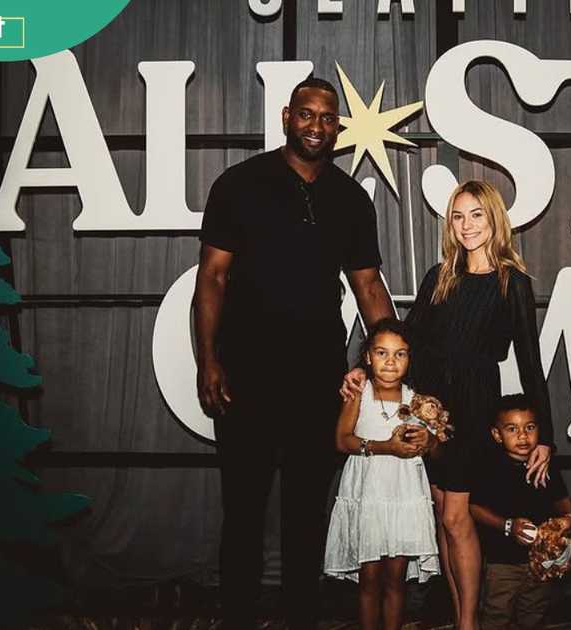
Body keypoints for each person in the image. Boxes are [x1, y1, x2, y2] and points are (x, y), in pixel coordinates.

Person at [194, 77, 394, 629]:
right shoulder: (239, 185)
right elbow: (211, 278)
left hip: (318, 382)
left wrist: (395, 358)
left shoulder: (350, 199)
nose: (316, 126)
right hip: (246, 377)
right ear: (287, 116)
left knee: (306, 516)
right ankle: (237, 617)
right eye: (306, 115)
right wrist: (207, 359)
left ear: (338, 126)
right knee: (243, 512)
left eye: (327, 118)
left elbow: (369, 288)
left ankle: (300, 618)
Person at [343, 180, 555, 630]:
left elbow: (532, 363)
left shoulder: (512, 283)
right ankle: (463, 616)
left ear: (494, 219)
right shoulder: (439, 277)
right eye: (458, 216)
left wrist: (546, 438)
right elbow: (408, 338)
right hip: (430, 406)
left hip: (475, 406)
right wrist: (366, 362)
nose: (466, 225)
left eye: (476, 214)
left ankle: (467, 624)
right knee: (442, 511)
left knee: (458, 516)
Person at [324, 318, 440, 630]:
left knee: (395, 582)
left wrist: (427, 441)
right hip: (369, 495)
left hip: (403, 496)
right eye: (382, 353)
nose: (391, 362)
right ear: (367, 357)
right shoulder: (358, 392)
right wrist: (386, 447)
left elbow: (435, 447)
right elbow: (342, 439)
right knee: (369, 582)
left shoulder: (416, 399)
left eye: (400, 354)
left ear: (410, 359)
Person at [469, 395, 571, 630]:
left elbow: (563, 502)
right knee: (496, 615)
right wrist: (508, 525)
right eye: (512, 429)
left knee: (534, 615)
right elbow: (474, 508)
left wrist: (566, 521)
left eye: (529, 427)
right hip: (501, 563)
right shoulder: (490, 467)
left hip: (540, 560)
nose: (523, 436)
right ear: (497, 435)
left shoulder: (546, 466)